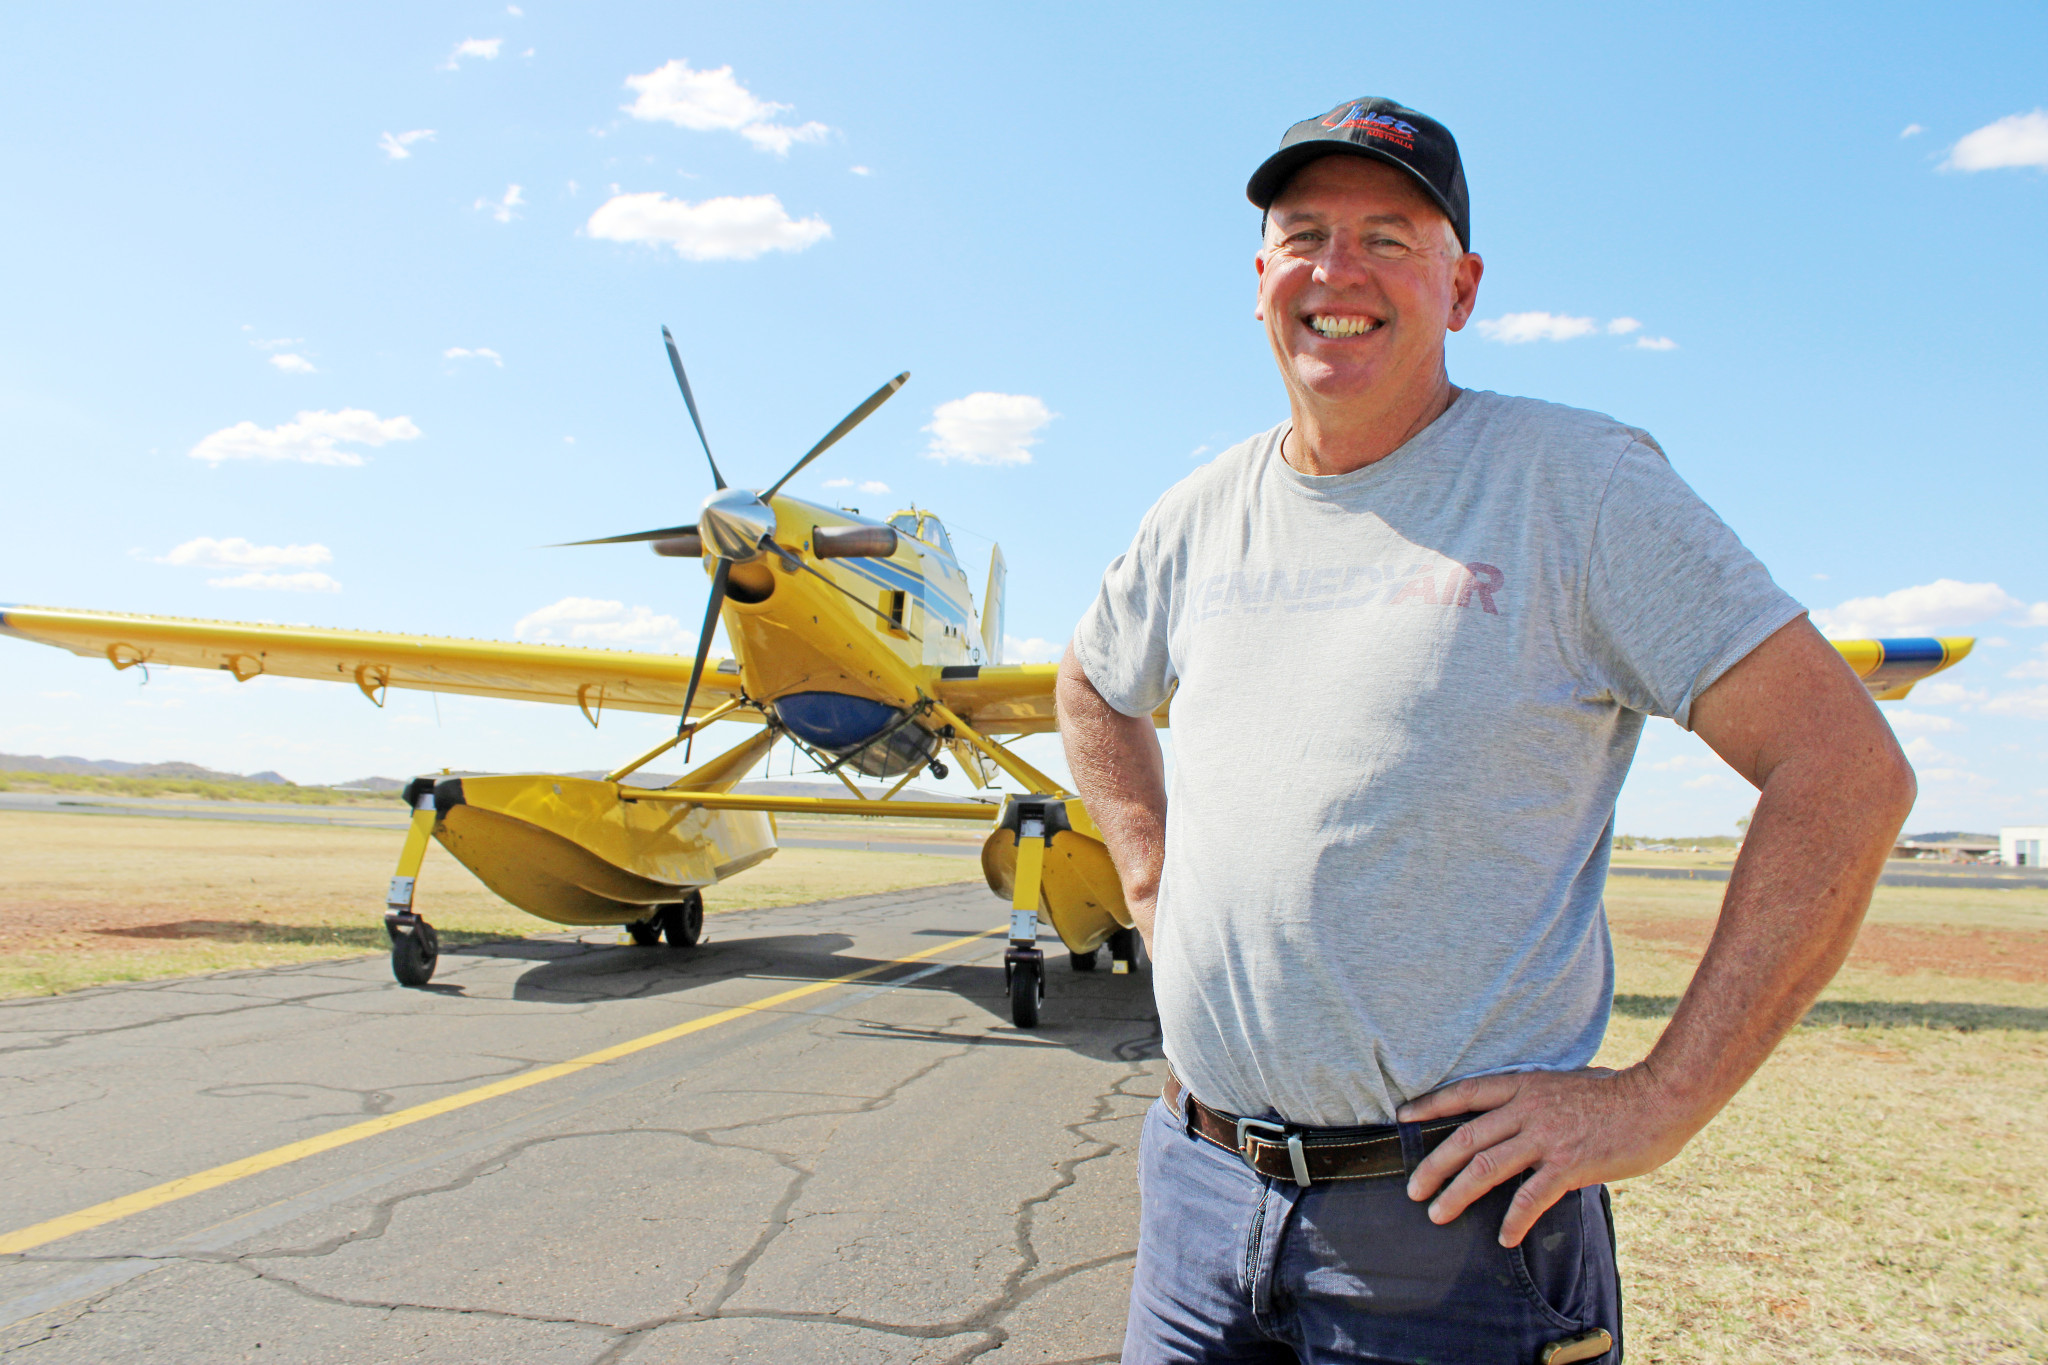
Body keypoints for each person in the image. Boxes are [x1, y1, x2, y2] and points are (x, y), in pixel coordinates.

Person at [1055, 95, 1915, 1364]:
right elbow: (1089, 685)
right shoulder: (1198, 510)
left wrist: (1663, 1098)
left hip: (1451, 1235)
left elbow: (1844, 769)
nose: (1335, 273)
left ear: (1459, 288)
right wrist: (1147, 875)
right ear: (1257, 282)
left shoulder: (1575, 485)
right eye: (1303, 236)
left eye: (1387, 239)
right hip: (1199, 1192)